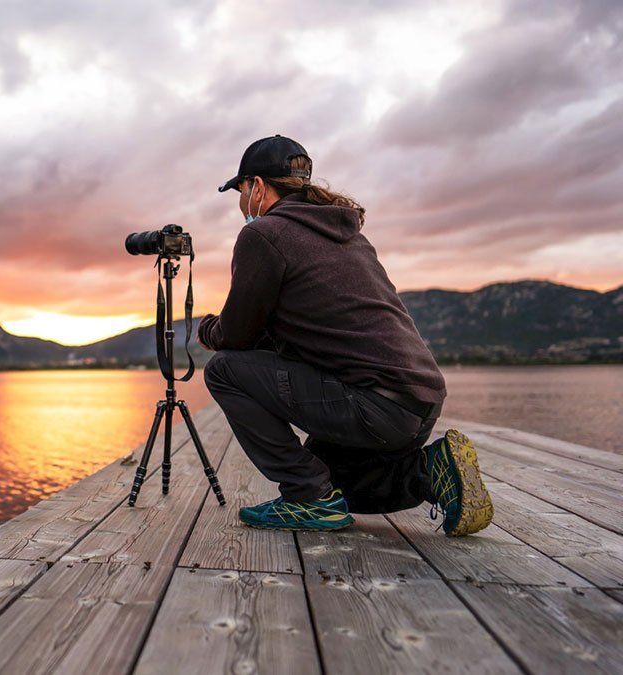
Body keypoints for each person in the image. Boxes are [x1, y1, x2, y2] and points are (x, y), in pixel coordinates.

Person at [199, 135, 493, 536]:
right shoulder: (345, 232)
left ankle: (308, 498)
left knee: (223, 370)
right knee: (339, 485)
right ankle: (429, 471)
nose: (240, 201)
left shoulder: (265, 234)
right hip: (415, 406)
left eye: (241, 189)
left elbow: (237, 336)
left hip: (372, 404)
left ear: (258, 187)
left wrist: (206, 329)